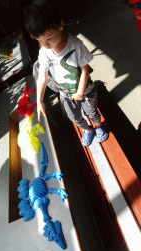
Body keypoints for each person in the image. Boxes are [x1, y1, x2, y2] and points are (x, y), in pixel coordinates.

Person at [23, 0, 108, 146]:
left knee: (91, 111)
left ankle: (99, 126)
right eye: (39, 40)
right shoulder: (45, 51)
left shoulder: (75, 44)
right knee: (72, 115)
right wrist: (40, 100)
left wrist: (80, 91)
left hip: (85, 89)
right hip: (65, 93)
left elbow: (84, 69)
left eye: (49, 38)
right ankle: (87, 130)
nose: (46, 45)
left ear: (60, 25)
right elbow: (42, 76)